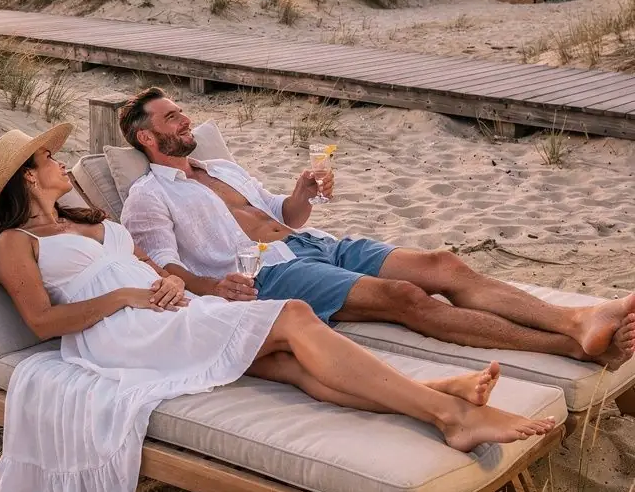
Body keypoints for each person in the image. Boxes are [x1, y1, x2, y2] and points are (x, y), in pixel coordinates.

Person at [0, 124, 558, 492]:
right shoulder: (17, 241)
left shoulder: (88, 219)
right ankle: (448, 413)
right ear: (29, 178)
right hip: (120, 332)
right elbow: (41, 323)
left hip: (163, 309)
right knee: (294, 315)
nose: (60, 162)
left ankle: (436, 392)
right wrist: (132, 295)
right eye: (49, 159)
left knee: (286, 363)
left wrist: (173, 282)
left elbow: (154, 267)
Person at [119, 89, 635, 367]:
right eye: (171, 119)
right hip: (273, 277)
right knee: (406, 297)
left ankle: (574, 320)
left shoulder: (221, 169)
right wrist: (217, 286)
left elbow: (282, 214)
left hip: (310, 244)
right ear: (146, 137)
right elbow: (165, 269)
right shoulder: (148, 195)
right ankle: (569, 346)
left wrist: (301, 194)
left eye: (182, 113)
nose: (185, 122)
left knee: (443, 265)